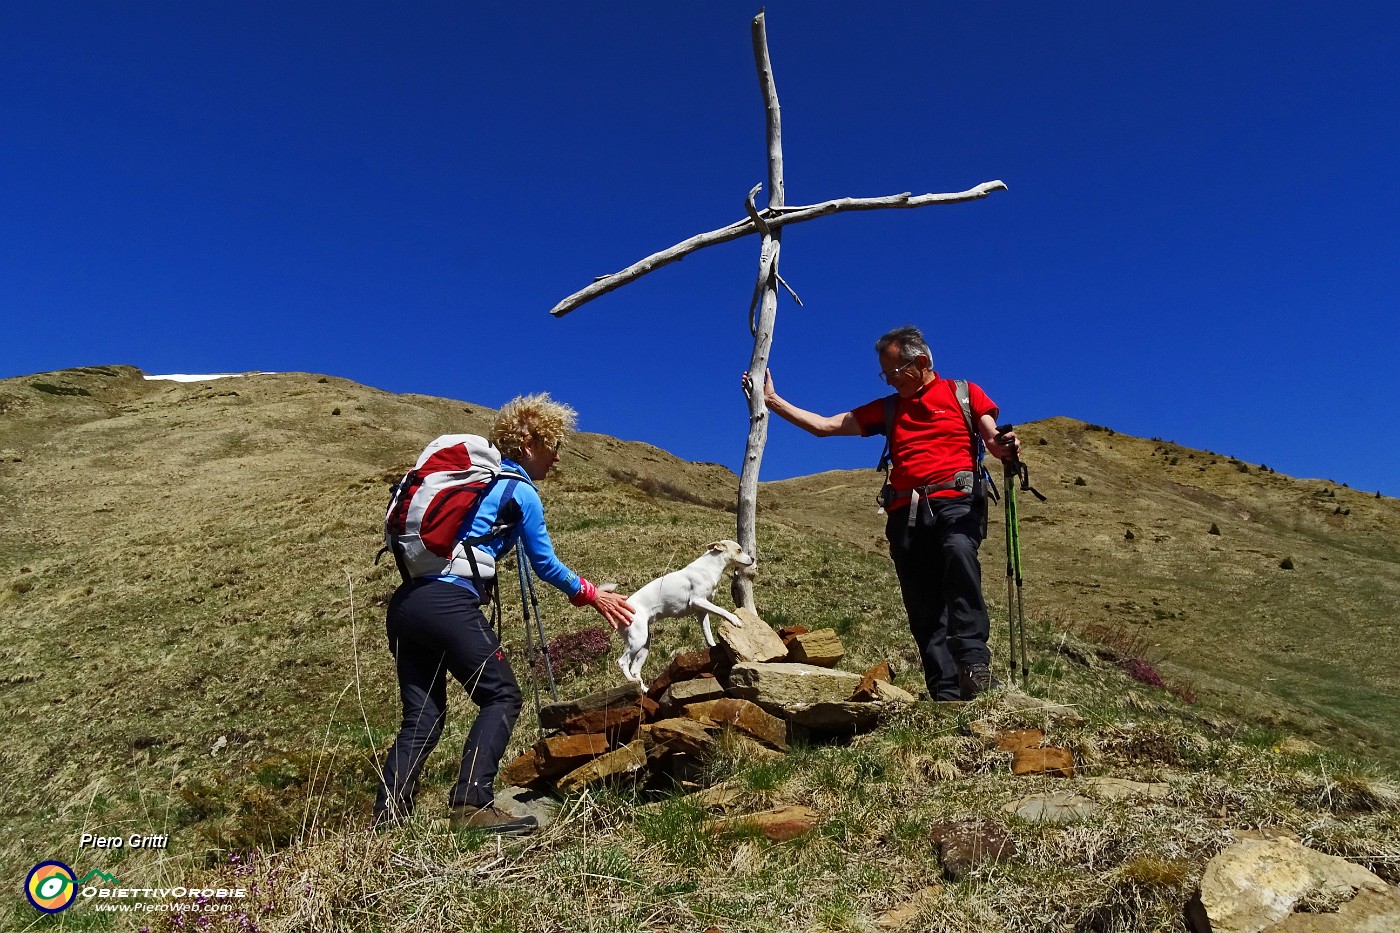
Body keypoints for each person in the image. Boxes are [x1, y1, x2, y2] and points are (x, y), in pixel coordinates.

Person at [374, 393, 633, 834]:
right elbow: (546, 564)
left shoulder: (476, 483)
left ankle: (387, 819)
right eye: (553, 447)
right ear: (529, 443)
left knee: (423, 716)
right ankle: (471, 804)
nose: (557, 458)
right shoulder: (520, 493)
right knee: (502, 696)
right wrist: (592, 595)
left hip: (407, 604)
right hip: (450, 604)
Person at [744, 325, 1020, 701]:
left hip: (957, 500)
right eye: (884, 373)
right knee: (922, 603)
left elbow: (991, 438)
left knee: (959, 552)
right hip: (905, 513)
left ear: (920, 362)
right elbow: (826, 426)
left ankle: (974, 664)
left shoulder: (963, 394)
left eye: (893, 371)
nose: (889, 380)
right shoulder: (888, 409)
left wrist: (1005, 447)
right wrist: (773, 401)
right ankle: (945, 692)